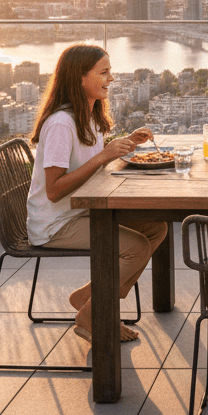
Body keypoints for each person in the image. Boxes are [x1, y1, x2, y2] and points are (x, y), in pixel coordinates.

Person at [26, 44, 168, 343]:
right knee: (136, 247)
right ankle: (93, 314)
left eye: (110, 71)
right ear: (80, 78)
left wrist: (124, 143)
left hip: (80, 211)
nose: (111, 79)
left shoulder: (88, 116)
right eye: (104, 72)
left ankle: (89, 299)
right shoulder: (61, 124)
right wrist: (102, 158)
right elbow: (53, 191)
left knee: (157, 227)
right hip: (56, 224)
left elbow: (89, 165)